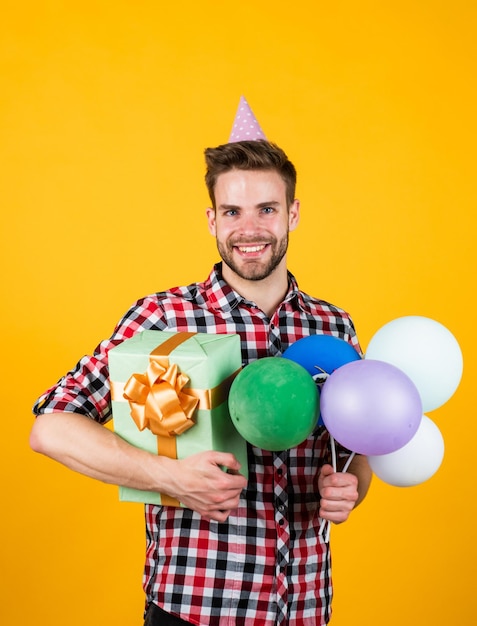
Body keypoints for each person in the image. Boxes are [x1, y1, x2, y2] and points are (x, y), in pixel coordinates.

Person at [30, 100, 372, 626]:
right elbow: (52, 426)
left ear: (293, 213)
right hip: (195, 611)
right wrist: (171, 477)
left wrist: (352, 488)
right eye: (232, 212)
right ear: (212, 218)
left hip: (304, 608)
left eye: (267, 209)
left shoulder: (333, 326)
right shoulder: (163, 317)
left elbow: (357, 450)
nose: (249, 228)